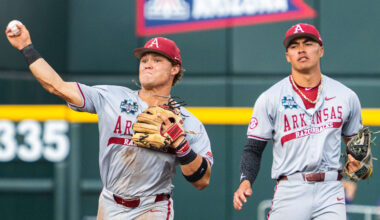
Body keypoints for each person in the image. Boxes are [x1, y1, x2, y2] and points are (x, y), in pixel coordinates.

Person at [6, 24, 213, 220]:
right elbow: (57, 86)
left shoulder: (187, 122)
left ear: (175, 68)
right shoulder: (111, 97)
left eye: (157, 60)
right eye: (144, 60)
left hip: (153, 206)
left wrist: (182, 145)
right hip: (110, 203)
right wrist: (26, 47)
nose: (148, 64)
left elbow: (202, 181)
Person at [233, 23, 364, 219]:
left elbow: (357, 148)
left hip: (331, 188)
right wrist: (246, 180)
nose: (301, 49)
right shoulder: (270, 97)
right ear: (287, 56)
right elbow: (253, 148)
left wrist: (360, 161)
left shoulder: (346, 96)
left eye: (308, 43)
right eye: (294, 46)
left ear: (321, 50)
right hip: (290, 188)